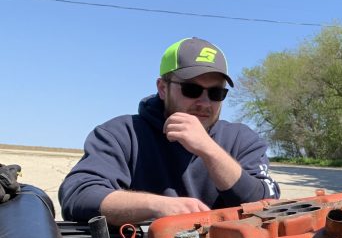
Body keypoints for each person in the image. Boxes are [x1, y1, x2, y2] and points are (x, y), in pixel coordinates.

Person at [59, 37, 280, 226]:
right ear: (163, 88)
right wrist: (159, 207)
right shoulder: (121, 134)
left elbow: (267, 202)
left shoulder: (243, 140)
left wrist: (209, 150)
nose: (204, 102)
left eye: (216, 93)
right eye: (191, 89)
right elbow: (78, 195)